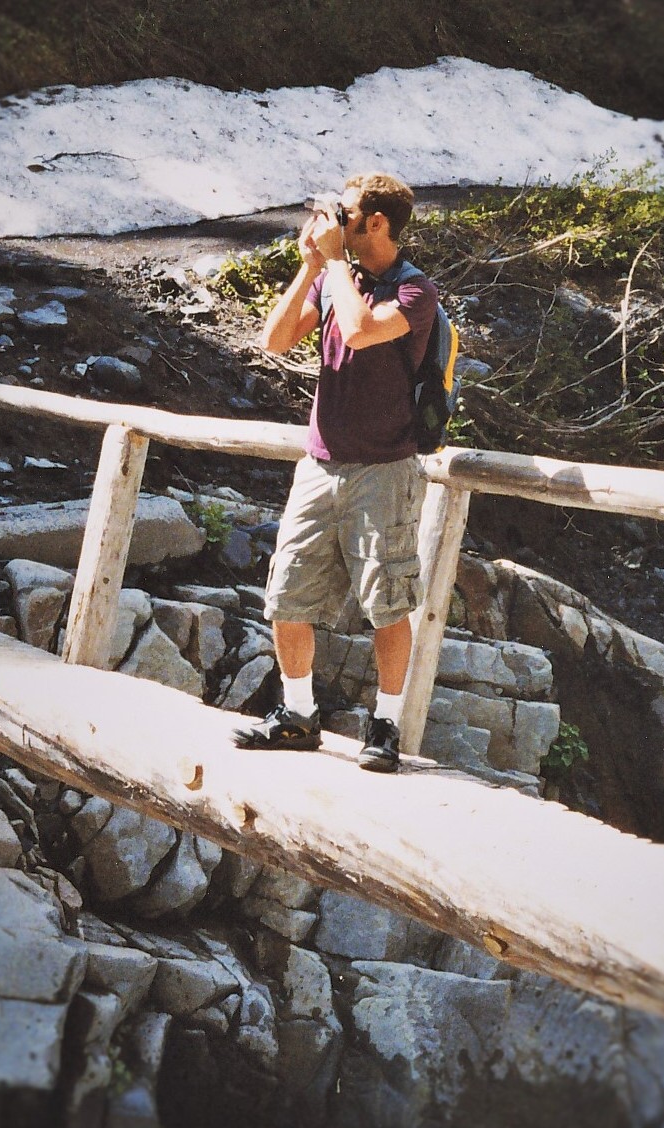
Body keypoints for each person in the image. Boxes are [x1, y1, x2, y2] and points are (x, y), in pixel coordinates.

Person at [231, 171, 438, 773]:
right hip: (319, 465)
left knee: (387, 603)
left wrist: (335, 265)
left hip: (385, 471)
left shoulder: (414, 291)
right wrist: (308, 268)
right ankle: (298, 715)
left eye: (343, 214)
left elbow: (359, 330)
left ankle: (386, 725)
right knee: (287, 593)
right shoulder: (331, 277)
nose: (333, 222)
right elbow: (274, 340)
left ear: (376, 223)